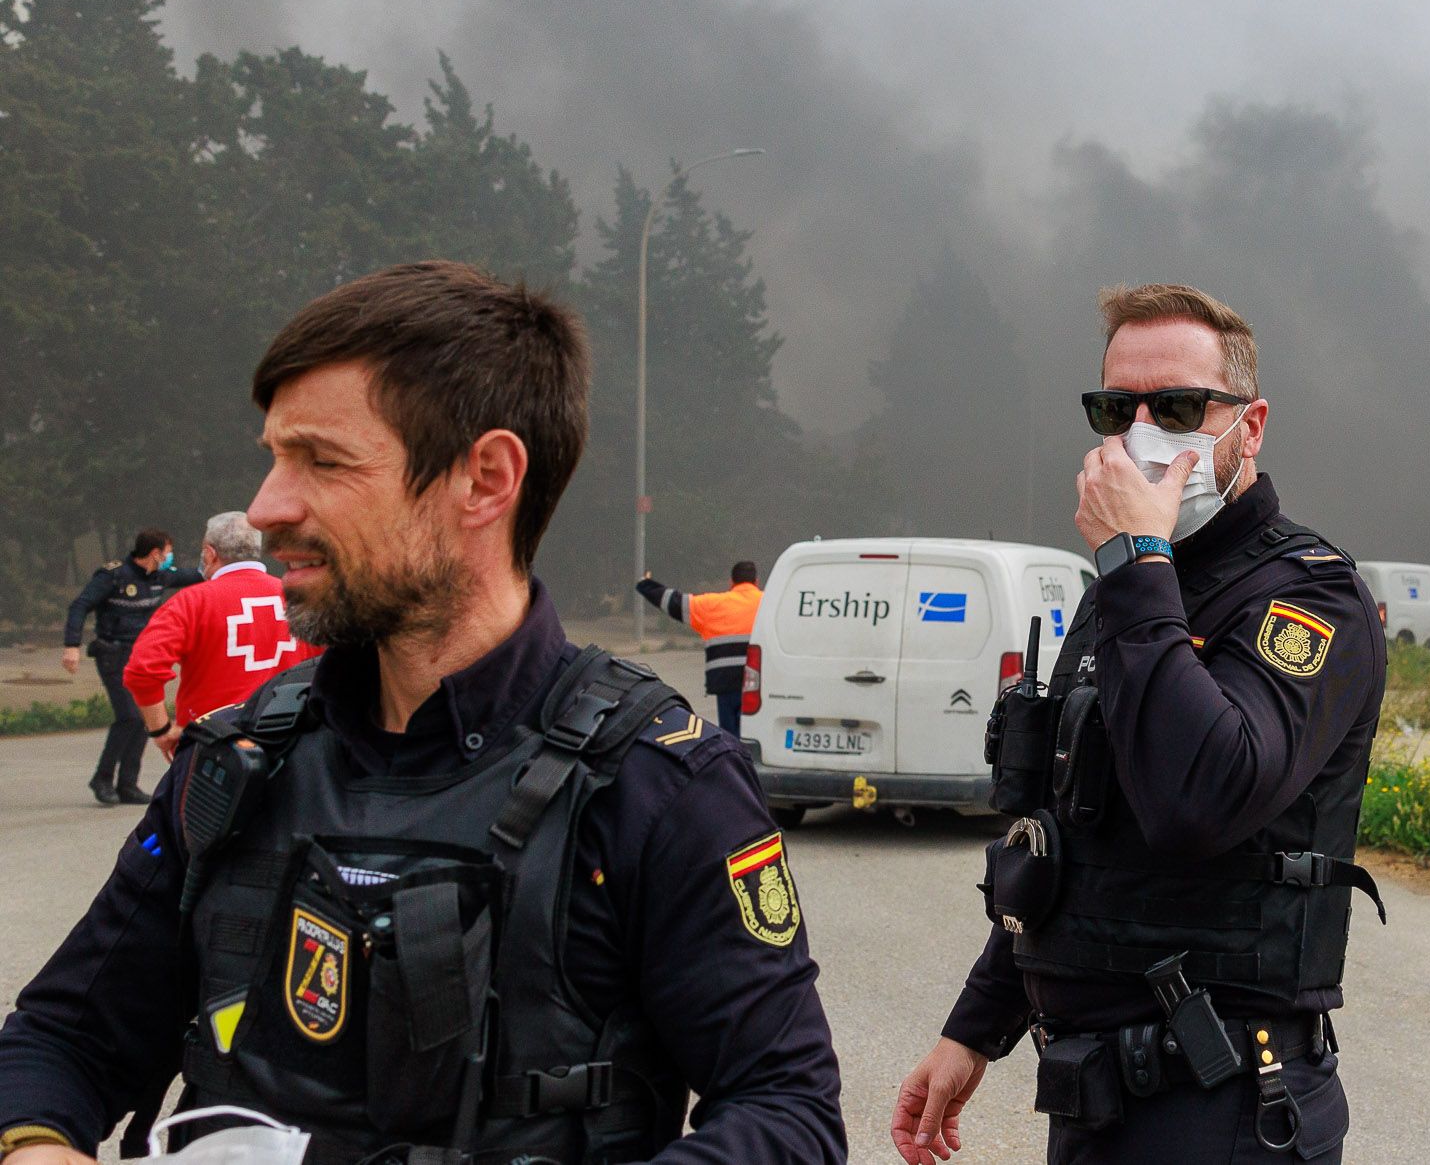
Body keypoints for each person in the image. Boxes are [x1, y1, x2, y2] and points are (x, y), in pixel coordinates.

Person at [0, 262, 845, 1164]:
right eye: (274, 458)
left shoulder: (658, 787)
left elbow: (786, 1112)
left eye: (321, 460)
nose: (265, 507)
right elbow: (58, 1041)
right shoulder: (240, 757)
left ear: (485, 478)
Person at [890, 284, 1387, 1164]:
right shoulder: (1119, 598)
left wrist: (1135, 562)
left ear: (1251, 425)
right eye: (1119, 407)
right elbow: (1063, 847)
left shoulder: (1310, 594)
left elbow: (1202, 796)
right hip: (1094, 1100)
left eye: (1181, 406)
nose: (1144, 430)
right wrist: (974, 1029)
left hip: (1227, 1103)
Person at [123, 510, 322, 761]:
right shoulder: (300, 598)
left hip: (212, 749)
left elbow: (142, 670)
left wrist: (161, 731)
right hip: (291, 746)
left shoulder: (189, 603)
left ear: (210, 553)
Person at [60, 527, 202, 805]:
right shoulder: (113, 576)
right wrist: (71, 645)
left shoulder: (161, 576)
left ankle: (127, 784)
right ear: (155, 553)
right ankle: (102, 779)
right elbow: (80, 605)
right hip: (113, 654)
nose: (170, 558)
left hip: (140, 656)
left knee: (142, 720)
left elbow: (198, 575)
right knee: (129, 716)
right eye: (168, 552)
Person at [636, 561, 762, 737]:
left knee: (731, 738)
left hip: (725, 684)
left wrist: (645, 584)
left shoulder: (713, 605)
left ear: (731, 582)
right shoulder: (769, 603)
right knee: (754, 736)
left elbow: (673, 602)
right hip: (758, 684)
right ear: (756, 582)